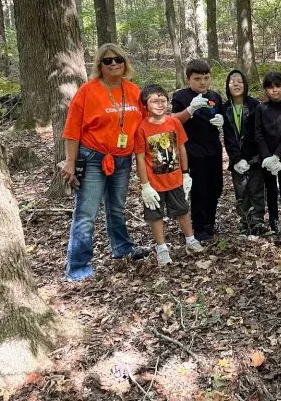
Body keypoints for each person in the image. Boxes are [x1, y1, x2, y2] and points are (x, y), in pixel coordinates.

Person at [61, 43, 150, 281]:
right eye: (107, 60)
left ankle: (122, 248)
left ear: (125, 62)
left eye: (118, 59)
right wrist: (70, 162)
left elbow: (143, 125)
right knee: (87, 212)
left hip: (123, 159)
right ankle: (78, 267)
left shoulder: (132, 90)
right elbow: (72, 130)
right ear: (99, 65)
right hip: (93, 158)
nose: (114, 64)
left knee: (117, 208)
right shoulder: (87, 91)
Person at [134, 84, 205, 265]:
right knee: (155, 215)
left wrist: (186, 173)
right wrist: (145, 185)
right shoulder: (141, 128)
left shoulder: (173, 122)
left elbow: (181, 148)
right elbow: (140, 158)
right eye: (154, 101)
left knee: (182, 209)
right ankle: (162, 248)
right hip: (154, 183)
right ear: (145, 104)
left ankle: (190, 240)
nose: (159, 104)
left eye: (163, 100)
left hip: (175, 179)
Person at [171, 59, 224, 242]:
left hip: (214, 148)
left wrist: (221, 119)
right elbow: (173, 121)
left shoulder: (215, 96)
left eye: (206, 78)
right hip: (193, 149)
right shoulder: (181, 97)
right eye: (197, 78)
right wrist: (190, 110)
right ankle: (199, 226)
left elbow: (221, 114)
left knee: (215, 187)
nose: (202, 82)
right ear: (188, 79)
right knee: (199, 188)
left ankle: (210, 222)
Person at [221, 69, 267, 237]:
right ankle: (245, 223)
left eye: (239, 81)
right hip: (236, 160)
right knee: (241, 193)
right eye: (232, 82)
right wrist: (236, 159)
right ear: (227, 85)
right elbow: (228, 137)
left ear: (245, 84)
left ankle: (257, 224)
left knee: (256, 191)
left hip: (254, 158)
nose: (236, 84)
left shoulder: (255, 105)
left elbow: (257, 134)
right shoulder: (225, 108)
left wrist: (249, 157)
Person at [255, 71, 281, 244]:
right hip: (266, 160)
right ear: (266, 90)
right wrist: (267, 157)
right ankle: (273, 224)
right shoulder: (261, 108)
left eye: (277, 86)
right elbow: (258, 134)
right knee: (271, 191)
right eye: (270, 87)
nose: (274, 91)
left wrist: (277, 156)